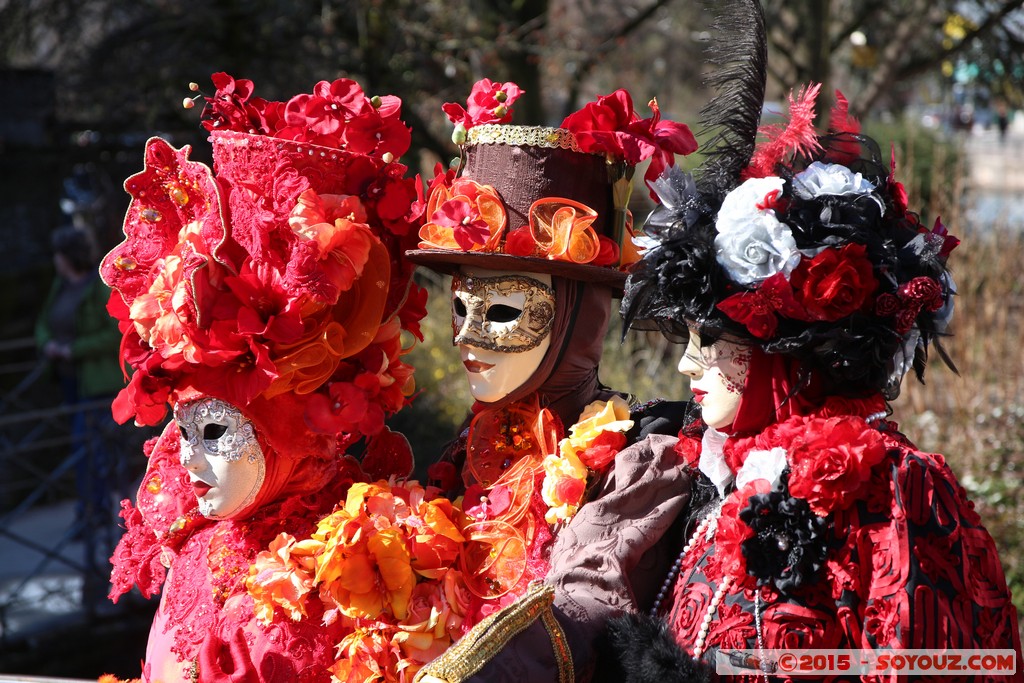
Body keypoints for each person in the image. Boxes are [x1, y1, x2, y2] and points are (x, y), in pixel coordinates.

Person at [606, 3, 1024, 678]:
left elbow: (949, 664)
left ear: (787, 354)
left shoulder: (895, 488)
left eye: (710, 339)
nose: (687, 362)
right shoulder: (714, 475)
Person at [102, 73, 426, 682]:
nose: (188, 462)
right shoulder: (199, 547)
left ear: (294, 427)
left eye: (218, 430)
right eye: (187, 431)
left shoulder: (343, 574)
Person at [401, 79, 701, 682]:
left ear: (576, 317)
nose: (464, 338)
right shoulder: (470, 451)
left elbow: (587, 604)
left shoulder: (635, 465)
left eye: (504, 311)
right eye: (460, 307)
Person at [35, 224, 126, 535]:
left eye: (58, 254)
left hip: (99, 384)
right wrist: (48, 343)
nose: (55, 260)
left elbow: (115, 332)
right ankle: (91, 511)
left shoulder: (99, 287)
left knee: (91, 450)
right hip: (70, 382)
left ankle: (98, 515)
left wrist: (73, 350)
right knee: (83, 449)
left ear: (68, 256)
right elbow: (43, 322)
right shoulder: (60, 285)